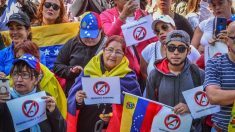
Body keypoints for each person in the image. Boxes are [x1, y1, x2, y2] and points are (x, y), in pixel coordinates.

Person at [67, 35, 142, 132]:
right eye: (110, 50)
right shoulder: (89, 70)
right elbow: (72, 100)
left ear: (123, 55)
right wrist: (78, 100)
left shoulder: (128, 77)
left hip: (116, 127)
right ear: (103, 50)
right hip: (87, 125)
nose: (113, 55)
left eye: (118, 52)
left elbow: (135, 107)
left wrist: (114, 114)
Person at [100, 0, 156, 92]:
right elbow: (109, 38)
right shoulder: (106, 15)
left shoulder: (143, 14)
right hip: (120, 73)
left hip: (143, 72)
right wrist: (122, 17)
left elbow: (154, 41)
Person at [0, 54, 66, 131]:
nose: (19, 79)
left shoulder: (45, 98)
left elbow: (62, 129)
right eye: (15, 74)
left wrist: (54, 113)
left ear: (37, 79)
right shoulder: (4, 96)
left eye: (25, 75)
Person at [146, 30, 204, 115]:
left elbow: (208, 105)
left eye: (181, 49)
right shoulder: (155, 75)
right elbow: (149, 107)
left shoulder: (198, 74)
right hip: (162, 127)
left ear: (188, 51)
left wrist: (191, 108)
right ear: (165, 49)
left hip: (192, 128)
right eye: (171, 48)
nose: (176, 52)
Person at [54, 11, 107, 95]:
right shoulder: (72, 43)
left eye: (93, 36)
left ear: (101, 30)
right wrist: (71, 71)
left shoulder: (107, 46)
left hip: (99, 93)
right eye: (85, 36)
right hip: (74, 94)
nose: (89, 39)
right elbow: (57, 66)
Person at [13, 41, 67, 119]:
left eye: (26, 57)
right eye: (18, 58)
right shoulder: (8, 82)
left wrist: (55, 114)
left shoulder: (51, 79)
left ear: (37, 59)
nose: (22, 62)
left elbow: (62, 108)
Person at [141, 15, 200, 81]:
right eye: (157, 31)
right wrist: (153, 87)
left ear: (174, 28)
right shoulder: (149, 49)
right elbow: (143, 72)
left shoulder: (188, 48)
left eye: (165, 27)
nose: (161, 32)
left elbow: (201, 70)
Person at [204, 21, 235, 132]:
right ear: (227, 40)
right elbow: (213, 97)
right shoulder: (215, 63)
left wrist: (227, 96)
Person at [0, 12, 46, 78]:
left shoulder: (39, 54)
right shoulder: (2, 54)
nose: (15, 32)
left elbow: (41, 79)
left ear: (28, 30)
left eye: (19, 28)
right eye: (11, 29)